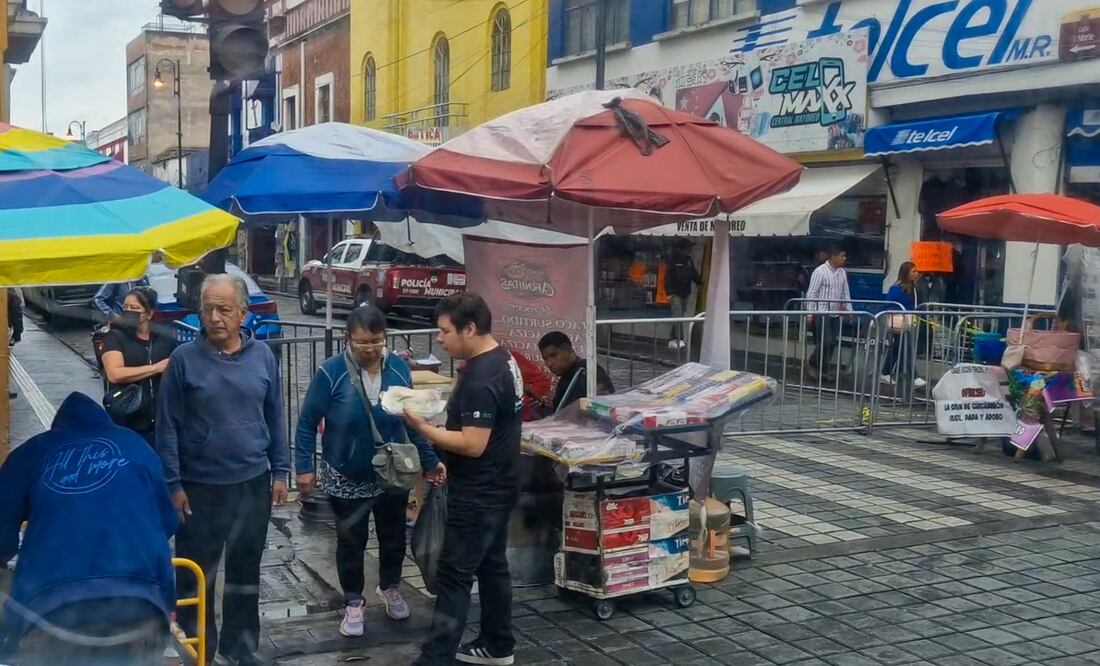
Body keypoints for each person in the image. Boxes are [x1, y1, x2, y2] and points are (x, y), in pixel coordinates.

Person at [156, 273, 289, 666]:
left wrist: (281, 471)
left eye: (224, 309)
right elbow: (167, 427)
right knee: (197, 576)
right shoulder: (183, 360)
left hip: (252, 483)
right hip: (200, 488)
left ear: (243, 314)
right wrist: (173, 485)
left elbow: (275, 414)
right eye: (208, 309)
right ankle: (197, 651)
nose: (214, 317)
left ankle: (239, 648)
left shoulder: (263, 356)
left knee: (245, 571)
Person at [295, 305, 445, 637]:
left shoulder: (399, 369)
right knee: (352, 540)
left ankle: (390, 587)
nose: (369, 349)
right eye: (362, 342)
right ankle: (353, 601)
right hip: (345, 472)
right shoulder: (330, 372)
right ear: (348, 338)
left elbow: (412, 421)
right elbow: (306, 422)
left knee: (394, 537)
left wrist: (430, 460)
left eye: (376, 341)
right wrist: (304, 467)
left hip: (392, 470)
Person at [0, 392, 177, 665]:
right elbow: (168, 522)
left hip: (51, 611)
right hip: (141, 604)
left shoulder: (33, 452)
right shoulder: (137, 446)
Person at [404, 293, 521, 666]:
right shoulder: (503, 359)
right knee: (492, 567)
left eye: (444, 331)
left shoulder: (481, 378)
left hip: (478, 493)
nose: (439, 339)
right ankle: (498, 644)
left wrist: (425, 429)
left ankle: (436, 657)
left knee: (454, 576)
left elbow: (472, 444)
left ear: (469, 329)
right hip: (500, 484)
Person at [100, 287, 177, 447]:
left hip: (161, 418)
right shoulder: (115, 336)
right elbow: (114, 374)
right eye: (125, 307)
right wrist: (155, 368)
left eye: (135, 308)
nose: (129, 311)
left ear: (149, 313)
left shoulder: (164, 337)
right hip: (128, 416)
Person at [536, 331, 614, 414]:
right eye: (545, 359)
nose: (549, 363)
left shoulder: (586, 372)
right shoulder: (568, 374)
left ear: (570, 351)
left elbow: (603, 408)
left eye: (554, 356)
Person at [804, 247, 851, 381]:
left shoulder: (842, 273)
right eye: (842, 256)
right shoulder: (820, 272)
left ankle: (822, 368)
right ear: (833, 256)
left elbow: (845, 292)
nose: (844, 259)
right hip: (821, 312)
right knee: (826, 341)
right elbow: (811, 293)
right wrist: (809, 314)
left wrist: (849, 309)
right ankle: (814, 362)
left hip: (834, 312)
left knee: (833, 342)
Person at [881, 262, 927, 390]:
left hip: (909, 323)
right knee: (906, 347)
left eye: (917, 271)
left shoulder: (915, 289)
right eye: (913, 271)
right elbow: (888, 305)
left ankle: (885, 372)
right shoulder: (896, 289)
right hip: (898, 323)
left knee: (897, 348)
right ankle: (913, 376)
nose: (916, 274)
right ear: (906, 273)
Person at [664, 247, 702, 349]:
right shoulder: (673, 260)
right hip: (675, 293)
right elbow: (667, 277)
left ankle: (672, 339)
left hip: (685, 292)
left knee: (679, 315)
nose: (690, 250)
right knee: (678, 314)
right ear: (681, 249)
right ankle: (679, 339)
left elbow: (693, 272)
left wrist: (699, 282)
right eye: (687, 248)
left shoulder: (688, 260)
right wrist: (669, 293)